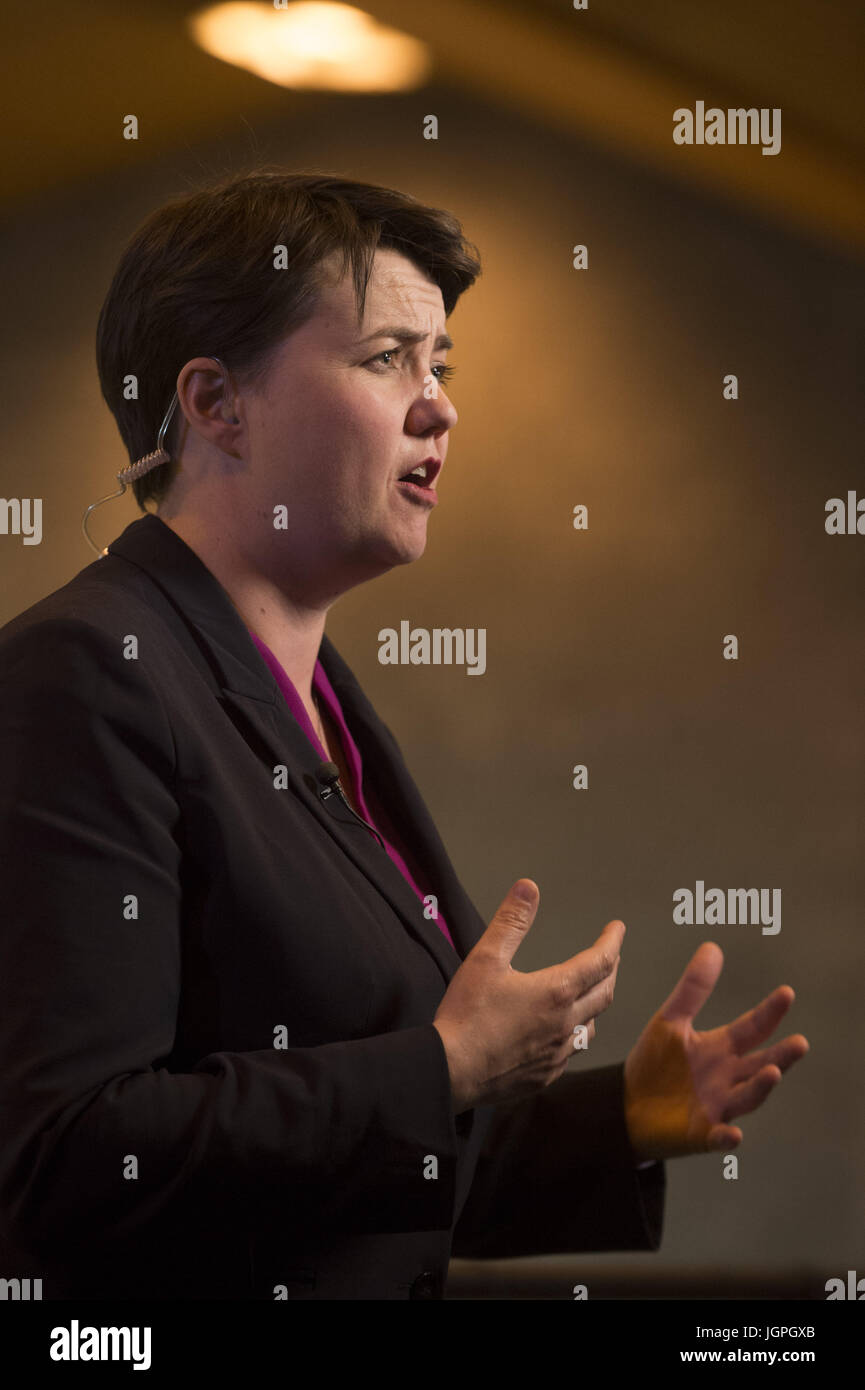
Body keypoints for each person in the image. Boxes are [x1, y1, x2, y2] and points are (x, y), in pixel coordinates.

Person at [0, 171, 808, 1300]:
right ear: (216, 404)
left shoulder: (321, 697)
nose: (440, 406)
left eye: (441, 366)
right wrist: (441, 1066)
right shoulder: (87, 673)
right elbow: (73, 1160)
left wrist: (611, 1118)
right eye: (388, 359)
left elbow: (377, 1161)